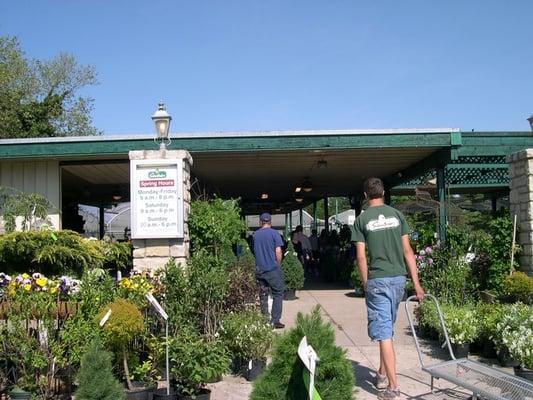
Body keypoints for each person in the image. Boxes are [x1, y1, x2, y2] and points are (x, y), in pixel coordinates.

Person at [353, 177, 425, 400]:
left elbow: (361, 256)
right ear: (383, 192)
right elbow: (407, 251)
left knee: (384, 333)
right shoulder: (397, 215)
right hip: (398, 280)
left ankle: (393, 387)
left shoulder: (361, 220)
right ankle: (382, 374)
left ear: (365, 196)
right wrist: (417, 284)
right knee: (387, 330)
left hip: (378, 279)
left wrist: (366, 283)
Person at [253, 212, 285, 329]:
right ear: (270, 222)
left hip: (259, 270)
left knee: (263, 293)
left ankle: (264, 318)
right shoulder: (274, 233)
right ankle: (275, 320)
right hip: (271, 269)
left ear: (260, 222)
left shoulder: (255, 235)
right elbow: (278, 251)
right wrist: (278, 264)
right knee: (278, 292)